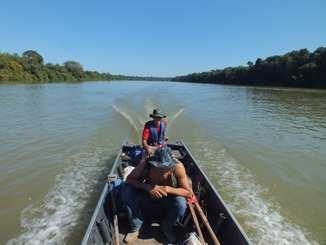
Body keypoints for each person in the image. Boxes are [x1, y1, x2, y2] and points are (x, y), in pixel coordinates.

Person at [121, 146, 192, 243]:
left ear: (171, 166)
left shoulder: (178, 167)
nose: (161, 170)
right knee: (126, 191)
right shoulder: (146, 164)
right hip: (147, 196)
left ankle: (166, 226)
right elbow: (129, 180)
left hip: (168, 199)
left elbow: (188, 192)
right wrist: (148, 187)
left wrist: (168, 189)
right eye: (158, 167)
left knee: (181, 203)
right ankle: (136, 227)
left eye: (165, 168)